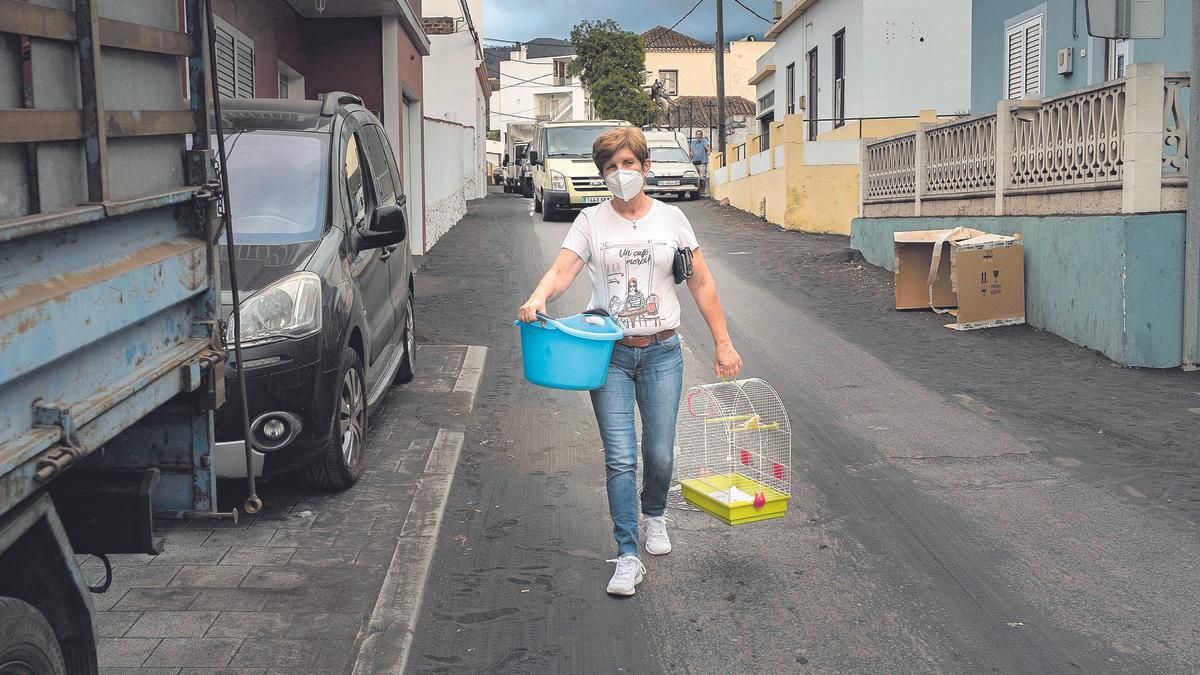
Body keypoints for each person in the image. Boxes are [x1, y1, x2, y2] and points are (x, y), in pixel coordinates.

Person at [517, 127, 742, 596]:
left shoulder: (673, 219)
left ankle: (655, 513)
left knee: (658, 454)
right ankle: (627, 553)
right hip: (611, 355)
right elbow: (563, 270)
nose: (621, 174)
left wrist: (723, 342)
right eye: (611, 167)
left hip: (663, 351)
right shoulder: (591, 222)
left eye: (628, 164)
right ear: (603, 175)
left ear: (645, 167)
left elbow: (701, 283)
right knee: (621, 458)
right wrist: (538, 296)